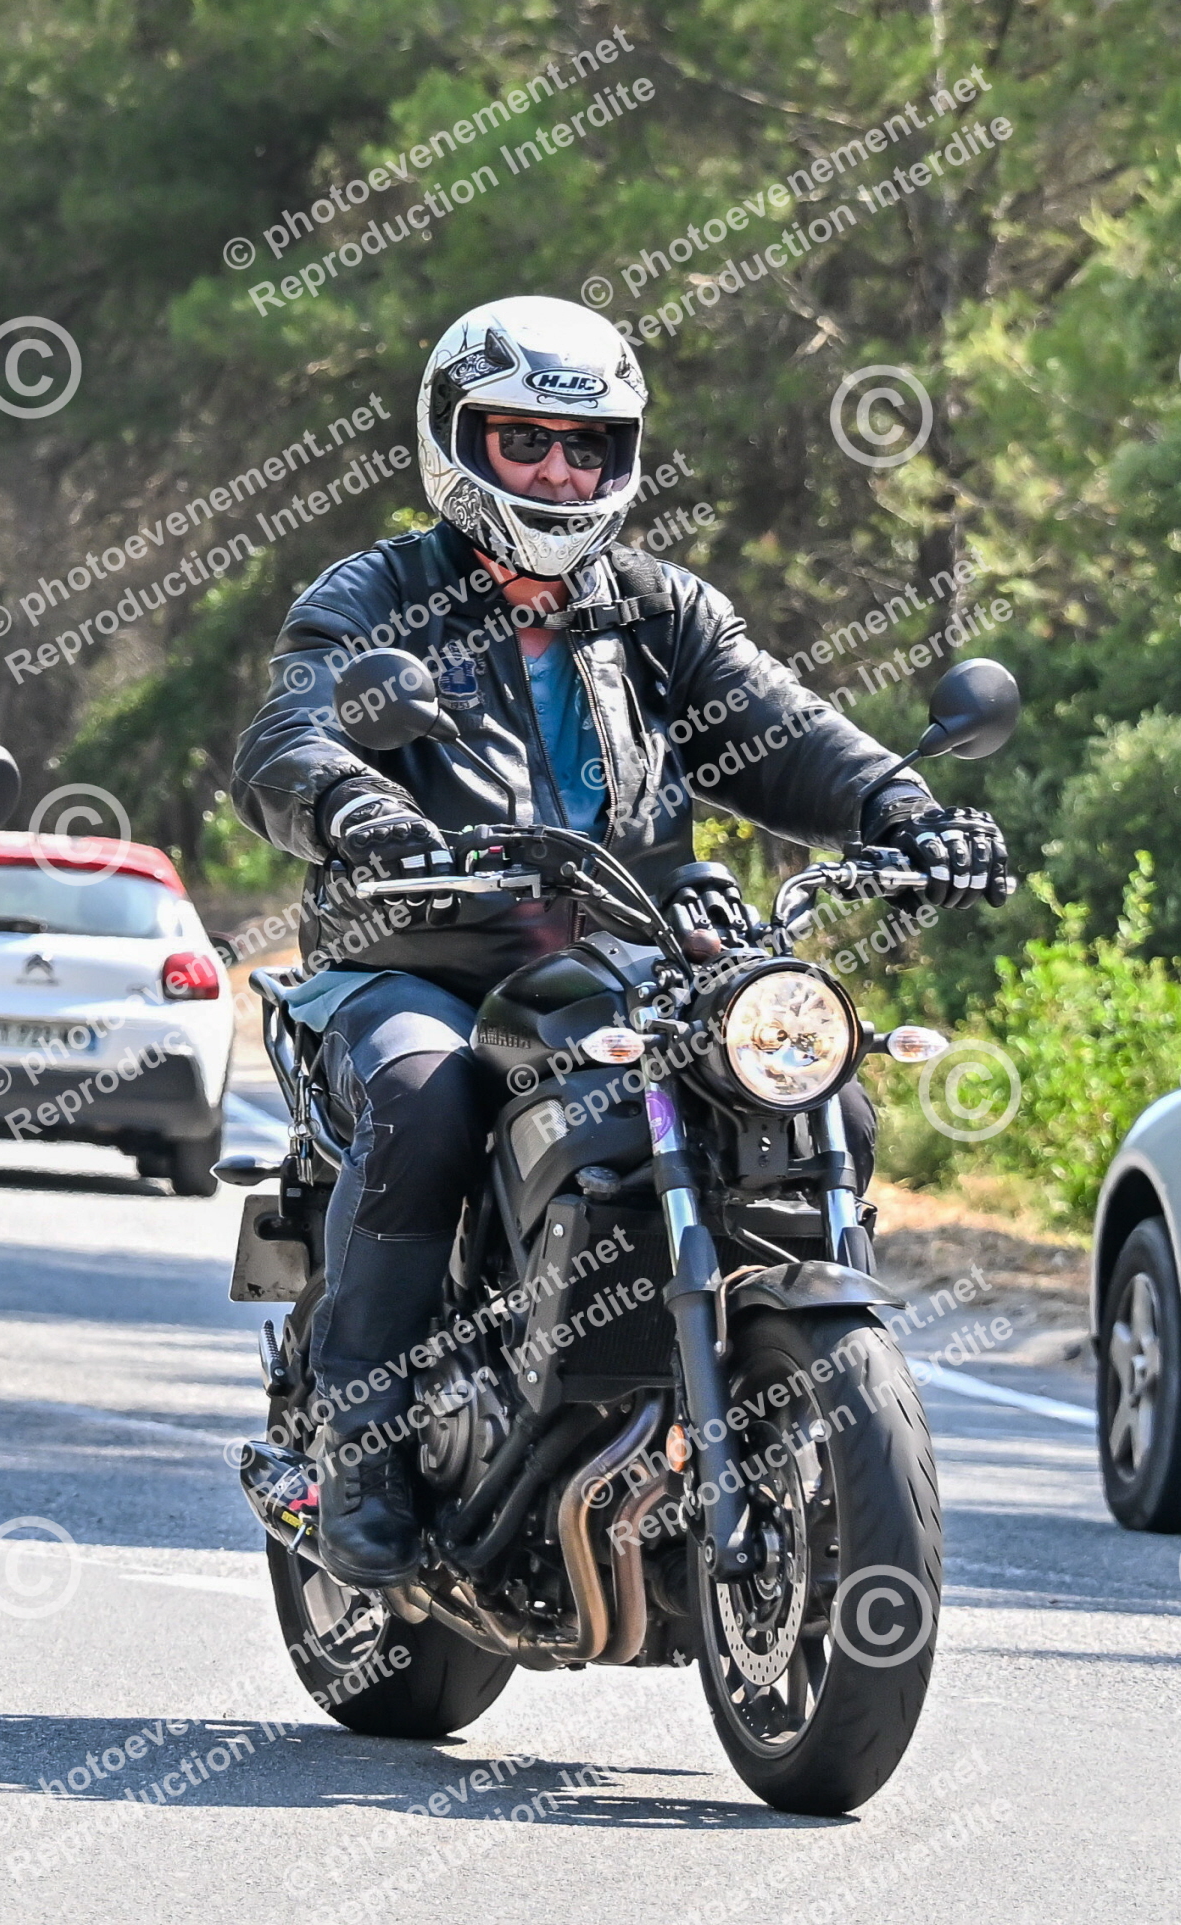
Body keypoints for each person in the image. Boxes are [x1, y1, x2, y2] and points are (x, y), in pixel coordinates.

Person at [232, 295, 1009, 1586]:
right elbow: (289, 736)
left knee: (816, 1089)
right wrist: (361, 810)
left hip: (627, 955)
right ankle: (365, 1442)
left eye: (585, 445)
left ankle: (769, 1363)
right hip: (421, 956)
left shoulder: (660, 610)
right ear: (455, 440)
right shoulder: (379, 593)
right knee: (426, 1097)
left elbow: (787, 728)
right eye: (524, 440)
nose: (557, 470)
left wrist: (905, 809)